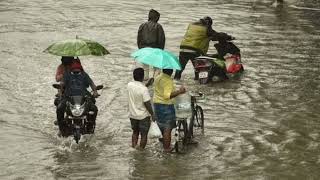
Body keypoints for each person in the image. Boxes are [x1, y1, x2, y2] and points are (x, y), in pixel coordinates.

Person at [56, 61, 99, 135]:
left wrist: (95, 92)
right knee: (59, 108)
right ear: (71, 69)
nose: (76, 72)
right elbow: (61, 84)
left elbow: (92, 84)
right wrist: (59, 93)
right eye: (74, 70)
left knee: (94, 109)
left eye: (78, 70)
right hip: (69, 97)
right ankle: (62, 128)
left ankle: (90, 127)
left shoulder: (85, 75)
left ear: (81, 69)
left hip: (83, 97)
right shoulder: (67, 75)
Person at [153, 69, 186, 152]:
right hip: (166, 106)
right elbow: (167, 96)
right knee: (168, 128)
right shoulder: (168, 80)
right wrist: (180, 91)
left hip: (156, 104)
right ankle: (167, 148)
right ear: (171, 72)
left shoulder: (158, 77)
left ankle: (163, 141)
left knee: (161, 125)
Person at [127, 68, 156, 150]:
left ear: (134, 76)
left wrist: (147, 84)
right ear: (143, 77)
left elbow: (137, 89)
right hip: (143, 116)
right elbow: (147, 103)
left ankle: (134, 148)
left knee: (135, 132)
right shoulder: (144, 89)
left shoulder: (129, 85)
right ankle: (140, 151)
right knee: (144, 135)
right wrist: (152, 114)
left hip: (133, 115)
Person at [137, 9, 165, 80]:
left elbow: (138, 38)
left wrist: (140, 49)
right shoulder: (158, 26)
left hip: (144, 49)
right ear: (156, 18)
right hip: (155, 49)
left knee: (145, 69)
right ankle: (155, 80)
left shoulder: (142, 25)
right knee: (157, 68)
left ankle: (145, 80)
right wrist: (160, 51)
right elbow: (161, 40)